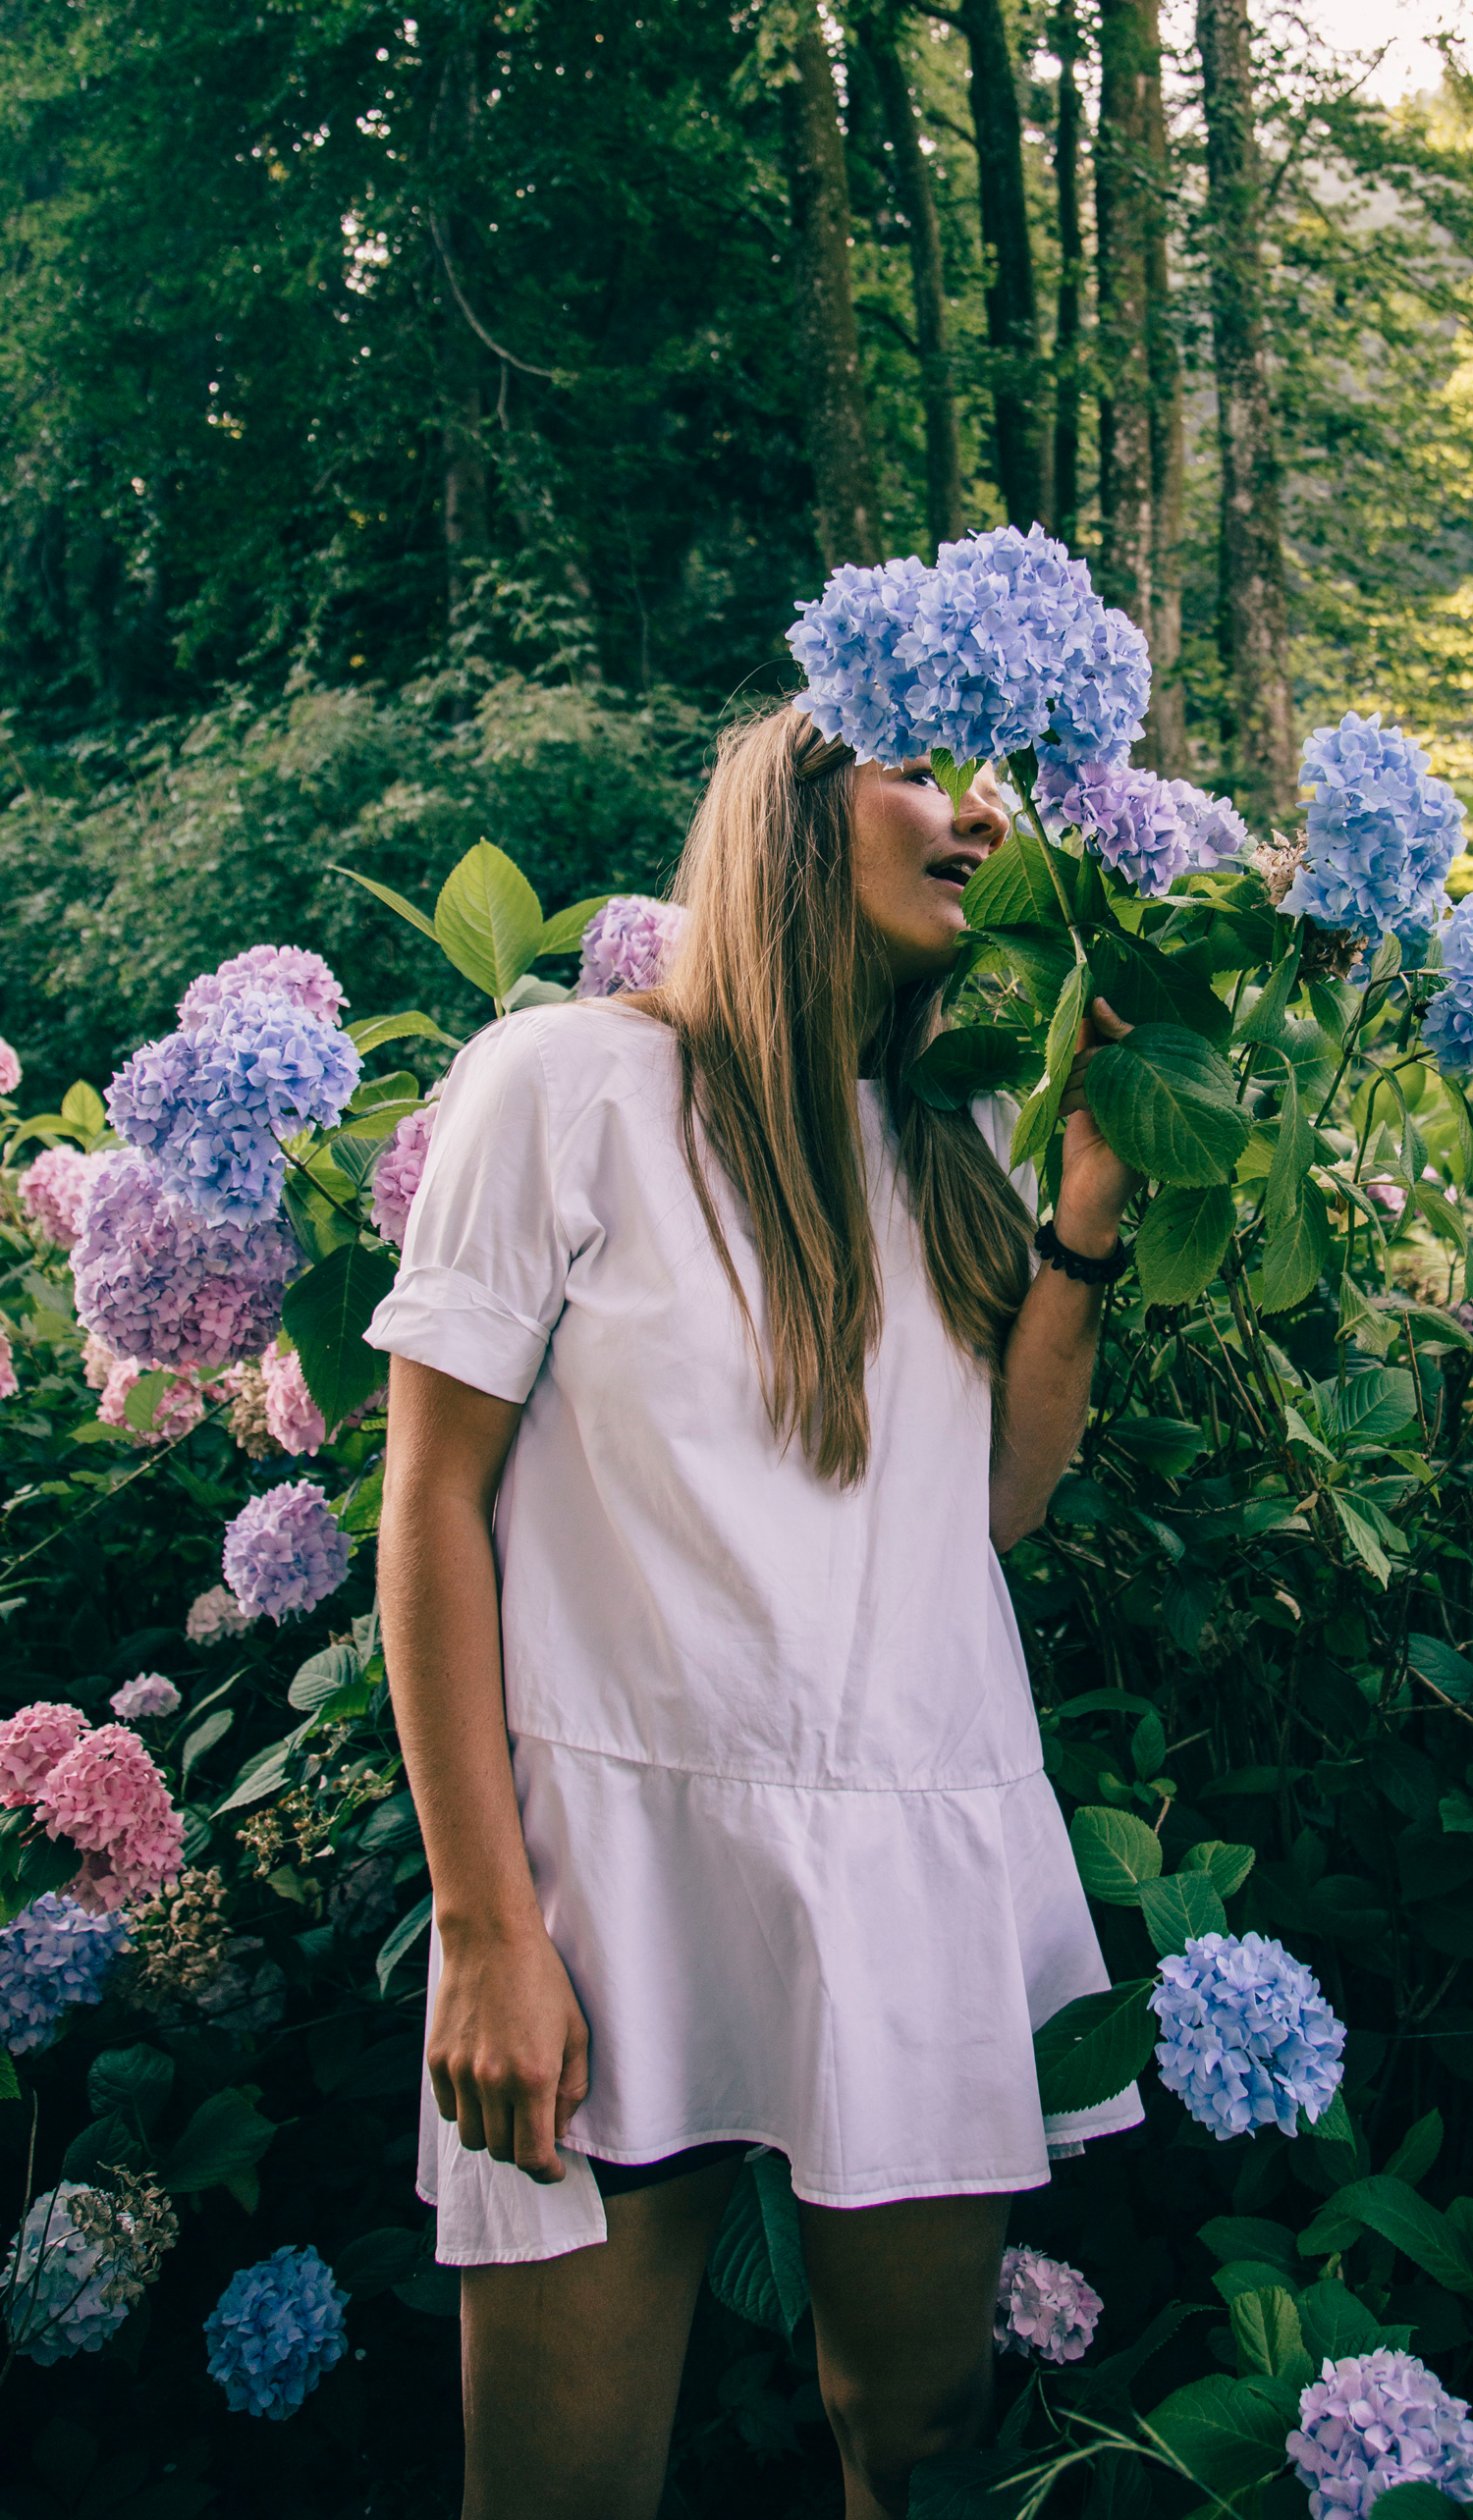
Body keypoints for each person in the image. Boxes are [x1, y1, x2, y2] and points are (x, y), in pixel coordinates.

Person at [369, 706, 1144, 2520]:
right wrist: (485, 1926)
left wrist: (1091, 1206)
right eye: (920, 769)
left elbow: (998, 1508)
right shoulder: (562, 1086)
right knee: (558, 2492)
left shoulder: (971, 1137)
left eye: (993, 788)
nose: (975, 815)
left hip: (912, 1851)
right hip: (602, 1890)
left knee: (923, 2453)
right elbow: (433, 1504)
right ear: (789, 810)